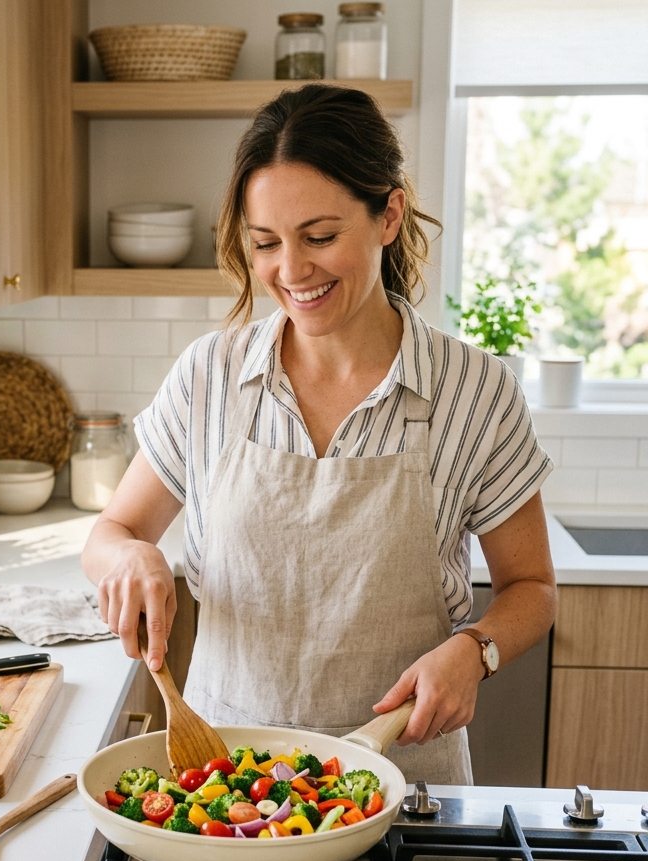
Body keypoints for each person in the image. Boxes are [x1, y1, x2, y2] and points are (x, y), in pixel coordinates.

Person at [81, 84, 556, 784]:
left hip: (403, 786)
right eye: (265, 243)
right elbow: (113, 530)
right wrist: (128, 559)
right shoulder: (210, 375)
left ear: (388, 214)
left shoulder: (474, 391)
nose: (292, 271)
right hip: (228, 783)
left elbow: (533, 587)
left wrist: (475, 650)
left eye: (321, 237)